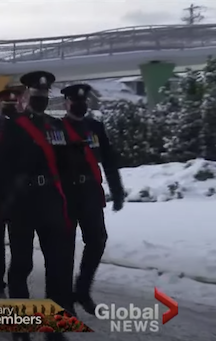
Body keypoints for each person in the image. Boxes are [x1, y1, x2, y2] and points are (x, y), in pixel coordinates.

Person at [0, 71, 75, 341]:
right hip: (22, 204)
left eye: (44, 95)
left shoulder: (56, 126)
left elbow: (66, 166)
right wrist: (3, 201)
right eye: (35, 95)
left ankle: (54, 326)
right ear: (26, 97)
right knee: (21, 265)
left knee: (57, 266)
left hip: (50, 202)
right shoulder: (13, 126)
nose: (40, 99)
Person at [59, 83, 125, 315]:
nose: (80, 104)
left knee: (97, 241)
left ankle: (82, 289)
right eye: (75, 101)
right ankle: (65, 300)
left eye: (83, 100)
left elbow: (108, 159)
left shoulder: (94, 127)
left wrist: (117, 191)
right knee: (64, 249)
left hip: (90, 194)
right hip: (66, 196)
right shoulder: (58, 128)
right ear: (66, 103)